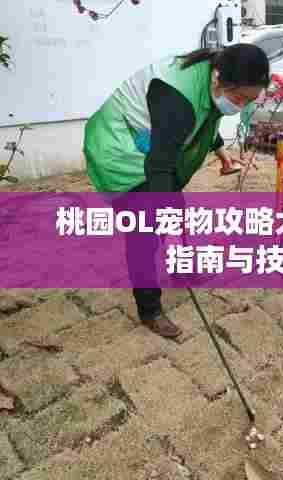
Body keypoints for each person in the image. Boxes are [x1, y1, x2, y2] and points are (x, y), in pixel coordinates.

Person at [83, 43, 270, 338]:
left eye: (250, 100)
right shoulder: (177, 98)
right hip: (118, 149)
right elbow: (159, 166)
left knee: (176, 211)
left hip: (149, 144)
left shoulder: (214, 76)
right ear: (218, 79)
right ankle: (150, 310)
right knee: (144, 230)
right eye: (239, 98)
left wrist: (220, 151)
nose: (241, 105)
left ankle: (181, 268)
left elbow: (205, 116)